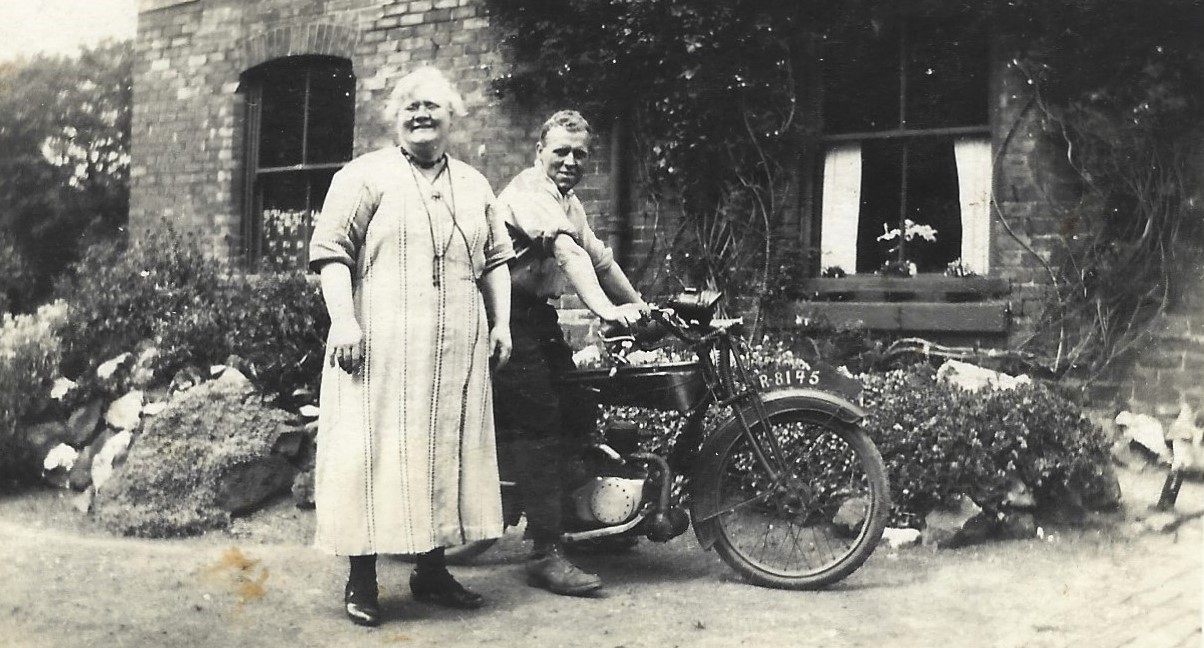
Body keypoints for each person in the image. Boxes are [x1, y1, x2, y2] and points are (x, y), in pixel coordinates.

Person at [308, 67, 514, 626]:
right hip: (380, 343)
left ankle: (432, 570)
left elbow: (497, 260)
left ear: (452, 117)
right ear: (395, 117)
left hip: (457, 346)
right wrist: (343, 321)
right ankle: (362, 579)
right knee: (372, 451)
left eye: (432, 106)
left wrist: (502, 324)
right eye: (410, 106)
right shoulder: (363, 176)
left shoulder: (474, 184)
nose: (421, 114)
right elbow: (331, 254)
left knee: (443, 449)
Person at [492, 109, 649, 597]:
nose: (570, 161)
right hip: (501, 316)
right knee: (540, 421)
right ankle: (544, 551)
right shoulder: (529, 192)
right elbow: (567, 252)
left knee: (579, 406)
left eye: (580, 154)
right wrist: (607, 311)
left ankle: (577, 518)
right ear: (539, 151)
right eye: (560, 151)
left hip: (535, 317)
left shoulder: (569, 202)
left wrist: (642, 307)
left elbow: (600, 259)